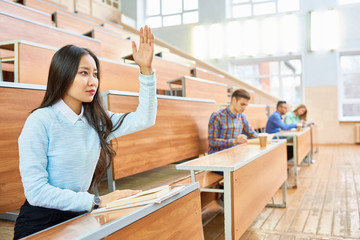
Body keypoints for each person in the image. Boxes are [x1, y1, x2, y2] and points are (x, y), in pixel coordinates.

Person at [14, 26, 157, 239]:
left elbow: (145, 118)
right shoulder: (40, 121)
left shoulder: (97, 121)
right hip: (41, 223)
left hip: (80, 217)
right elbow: (36, 192)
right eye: (84, 73)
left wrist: (146, 70)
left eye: (95, 74)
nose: (93, 81)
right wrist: (95, 201)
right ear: (62, 75)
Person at [208, 89, 258, 155]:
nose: (244, 108)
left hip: (235, 155)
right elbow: (212, 141)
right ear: (234, 100)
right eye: (242, 104)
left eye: (246, 105)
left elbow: (253, 134)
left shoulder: (242, 117)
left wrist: (266, 138)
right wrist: (234, 141)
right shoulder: (217, 116)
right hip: (218, 156)